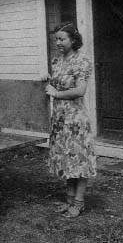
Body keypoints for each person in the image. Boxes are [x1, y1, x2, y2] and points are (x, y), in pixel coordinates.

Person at [45, 23, 96, 217]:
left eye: (62, 39)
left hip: (75, 119)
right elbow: (55, 83)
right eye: (56, 39)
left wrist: (56, 93)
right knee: (65, 158)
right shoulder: (57, 61)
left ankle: (79, 202)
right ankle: (69, 199)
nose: (57, 42)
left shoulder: (81, 61)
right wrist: (47, 79)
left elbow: (79, 90)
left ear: (73, 40)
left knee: (79, 158)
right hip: (59, 117)